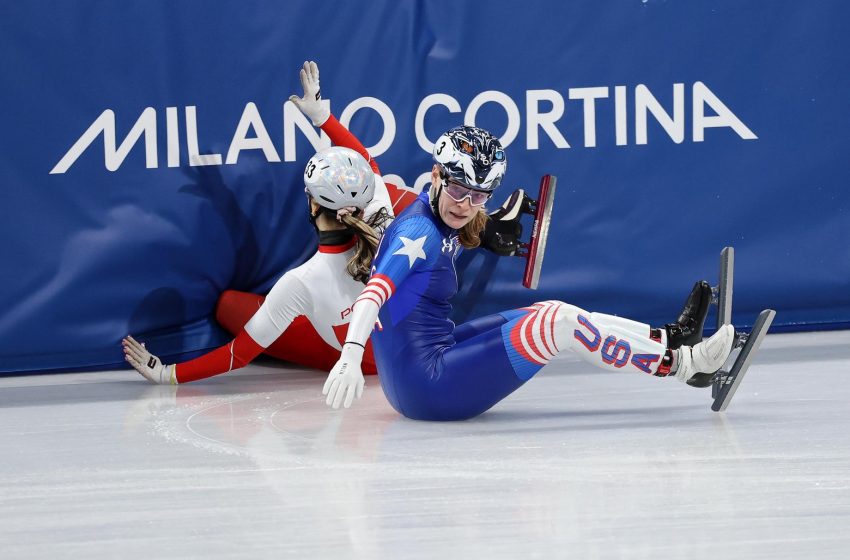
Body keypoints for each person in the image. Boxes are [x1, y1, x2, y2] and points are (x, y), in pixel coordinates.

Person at [322, 125, 737, 418]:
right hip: (430, 386)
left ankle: (669, 341)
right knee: (558, 324)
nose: (465, 205)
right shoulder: (419, 233)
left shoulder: (432, 208)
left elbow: (367, 163)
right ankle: (686, 365)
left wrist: (323, 118)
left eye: (479, 196)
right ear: (435, 175)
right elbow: (373, 295)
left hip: (421, 369)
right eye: (457, 190)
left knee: (550, 309)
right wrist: (351, 355)